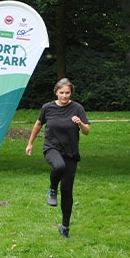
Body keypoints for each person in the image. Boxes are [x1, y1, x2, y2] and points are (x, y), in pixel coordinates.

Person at [25, 78, 90, 238]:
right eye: (61, 93)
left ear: (71, 93)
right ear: (56, 92)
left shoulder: (77, 108)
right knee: (59, 167)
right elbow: (38, 124)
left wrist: (80, 123)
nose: (65, 96)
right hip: (52, 148)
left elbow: (87, 130)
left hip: (71, 153)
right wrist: (30, 143)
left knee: (67, 191)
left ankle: (65, 227)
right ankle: (52, 189)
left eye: (67, 93)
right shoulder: (48, 108)